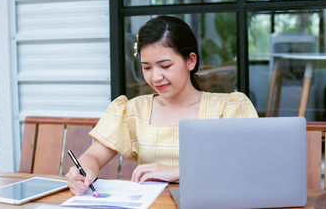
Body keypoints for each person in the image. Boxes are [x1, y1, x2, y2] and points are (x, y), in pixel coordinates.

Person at [66, 16, 258, 195]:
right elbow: (94, 156)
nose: (155, 77)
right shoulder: (133, 111)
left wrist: (179, 171)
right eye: (147, 67)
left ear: (190, 61)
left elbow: (249, 164)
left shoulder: (228, 108)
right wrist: (84, 170)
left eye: (165, 66)